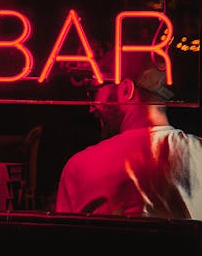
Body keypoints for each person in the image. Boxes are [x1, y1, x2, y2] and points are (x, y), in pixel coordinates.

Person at [55, 52, 202, 219]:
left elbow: (67, 242)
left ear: (125, 90)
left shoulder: (80, 166)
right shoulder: (199, 152)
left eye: (94, 92)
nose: (91, 107)